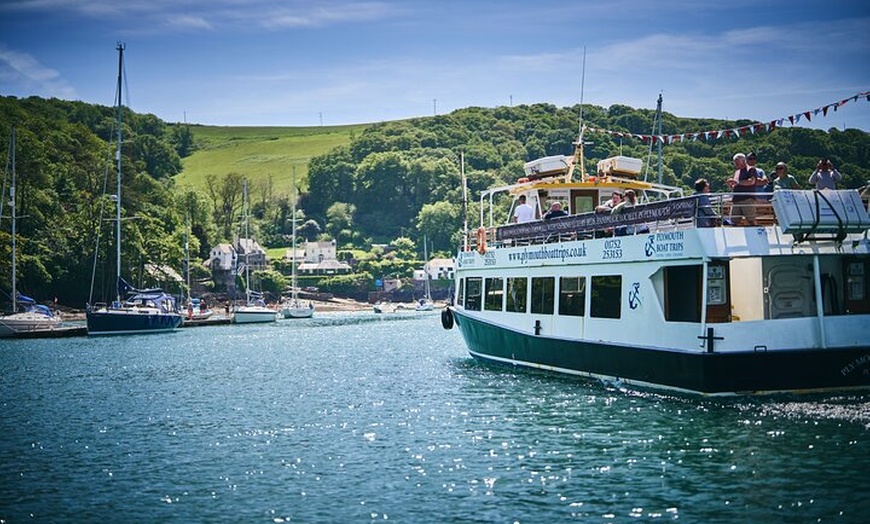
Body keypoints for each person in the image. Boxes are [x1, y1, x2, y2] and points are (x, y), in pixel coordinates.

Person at [726, 153, 760, 226]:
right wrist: (731, 185)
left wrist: (737, 182)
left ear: (743, 160)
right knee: (732, 221)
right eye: (735, 161)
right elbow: (736, 186)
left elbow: (751, 181)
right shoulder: (737, 172)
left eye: (737, 161)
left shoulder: (751, 169)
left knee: (751, 220)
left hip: (747, 199)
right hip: (736, 200)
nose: (735, 163)